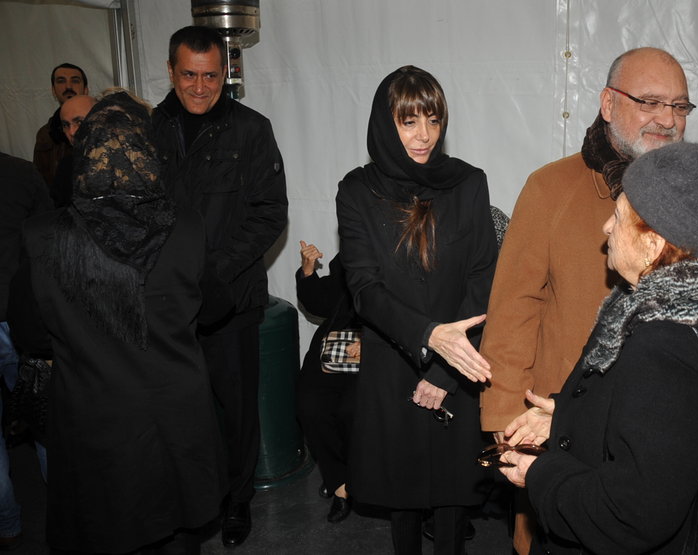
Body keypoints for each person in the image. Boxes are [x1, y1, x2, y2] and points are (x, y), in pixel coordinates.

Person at [496, 142, 698, 554]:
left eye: (618, 217)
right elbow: (677, 434)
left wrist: (541, 474)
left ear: (653, 245)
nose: (606, 228)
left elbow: (629, 514)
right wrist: (569, 417)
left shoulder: (667, 343)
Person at [478, 47, 695, 552]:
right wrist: (505, 422)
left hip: (659, 437)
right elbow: (513, 310)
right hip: (561, 428)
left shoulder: (693, 197)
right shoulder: (550, 188)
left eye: (680, 106)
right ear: (608, 103)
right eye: (650, 102)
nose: (667, 119)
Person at [17, 92, 225, 554]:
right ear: (147, 151)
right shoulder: (187, 227)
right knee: (178, 536)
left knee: (106, 533)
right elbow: (213, 309)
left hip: (95, 423)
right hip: (176, 419)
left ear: (85, 150)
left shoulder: (42, 235)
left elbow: (32, 335)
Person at [336, 65, 497, 554]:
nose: (424, 135)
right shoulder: (357, 191)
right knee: (401, 499)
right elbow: (363, 288)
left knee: (453, 500)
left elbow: (484, 280)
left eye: (433, 119)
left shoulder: (468, 183)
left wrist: (447, 369)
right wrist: (428, 336)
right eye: (409, 122)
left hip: (459, 366)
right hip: (393, 365)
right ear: (386, 125)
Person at [151, 25, 288, 548]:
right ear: (171, 71)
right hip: (167, 303)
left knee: (236, 409)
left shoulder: (252, 129)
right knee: (181, 409)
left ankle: (236, 501)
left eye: (211, 76)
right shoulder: (149, 129)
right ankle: (192, 499)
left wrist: (214, 271)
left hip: (231, 299)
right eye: (189, 74)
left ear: (226, 72)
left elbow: (270, 212)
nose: (200, 86)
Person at [0, 152, 52, 550]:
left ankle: (8, 524)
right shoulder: (19, 172)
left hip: (16, 317)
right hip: (17, 314)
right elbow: (49, 239)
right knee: (43, 415)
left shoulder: (20, 171)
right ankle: (65, 512)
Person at [295, 241, 358, 523]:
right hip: (338, 342)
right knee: (311, 404)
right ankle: (339, 481)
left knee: (351, 410)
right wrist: (308, 272)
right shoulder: (356, 246)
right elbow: (323, 302)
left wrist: (371, 340)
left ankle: (356, 476)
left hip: (385, 346)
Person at [33, 63, 88, 187]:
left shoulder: (101, 128)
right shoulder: (44, 134)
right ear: (53, 90)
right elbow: (39, 181)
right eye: (61, 81)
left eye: (75, 81)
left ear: (85, 89)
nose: (68, 86)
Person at [51, 94, 97, 208]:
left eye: (79, 122)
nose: (71, 132)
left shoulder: (125, 162)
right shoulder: (66, 166)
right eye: (66, 125)